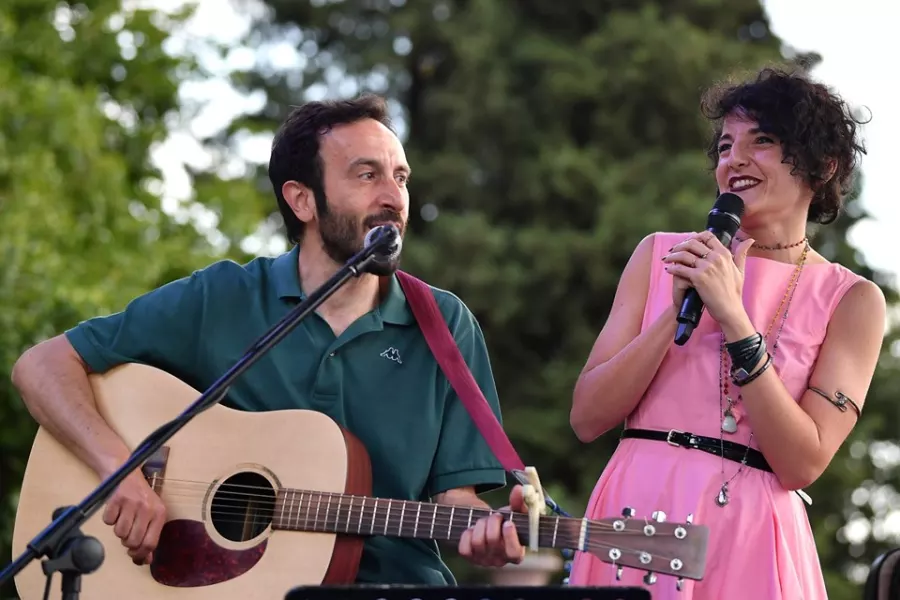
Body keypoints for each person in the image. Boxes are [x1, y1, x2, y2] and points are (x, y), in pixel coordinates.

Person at [10, 94, 526, 586]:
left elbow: (456, 501)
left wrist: (494, 531)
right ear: (302, 199)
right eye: (367, 175)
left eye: (401, 178)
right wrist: (118, 472)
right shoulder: (221, 298)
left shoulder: (444, 322)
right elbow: (41, 366)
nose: (394, 198)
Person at [567, 66, 884, 599]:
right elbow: (587, 416)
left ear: (822, 165)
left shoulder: (852, 299)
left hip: (753, 533)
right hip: (636, 507)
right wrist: (676, 313)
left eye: (762, 141)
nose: (733, 160)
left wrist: (735, 320)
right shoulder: (659, 254)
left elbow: (803, 461)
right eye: (724, 145)